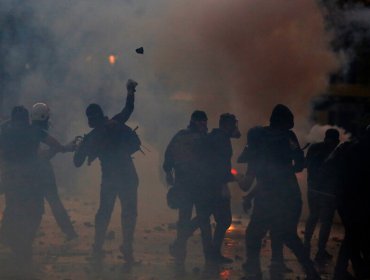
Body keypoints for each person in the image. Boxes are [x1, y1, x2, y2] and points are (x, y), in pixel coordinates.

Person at [242, 104, 320, 280]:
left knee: (254, 234)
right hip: (288, 196)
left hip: (269, 196)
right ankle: (311, 272)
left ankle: (254, 272)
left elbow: (255, 175)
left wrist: (246, 189)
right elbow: (300, 165)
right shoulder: (289, 137)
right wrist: (288, 168)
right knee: (288, 235)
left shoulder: (257, 135)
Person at [73, 79, 139, 264]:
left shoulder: (92, 137)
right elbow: (128, 109)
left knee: (104, 213)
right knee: (129, 212)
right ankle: (127, 247)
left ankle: (97, 247)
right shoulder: (115, 123)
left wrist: (79, 147)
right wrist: (130, 90)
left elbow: (77, 162)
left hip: (110, 178)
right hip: (128, 175)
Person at [0, 106, 66, 265]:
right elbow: (56, 145)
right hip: (31, 180)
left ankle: (11, 242)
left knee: (12, 209)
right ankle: (24, 248)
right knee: (34, 212)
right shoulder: (34, 131)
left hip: (11, 179)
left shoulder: (4, 131)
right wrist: (43, 158)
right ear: (26, 119)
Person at [163, 110, 211, 264]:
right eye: (201, 122)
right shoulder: (194, 137)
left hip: (191, 185)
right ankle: (188, 250)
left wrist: (168, 171)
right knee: (199, 219)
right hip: (191, 185)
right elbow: (169, 155)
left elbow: (168, 155)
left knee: (193, 219)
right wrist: (168, 172)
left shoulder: (181, 136)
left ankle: (181, 246)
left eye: (205, 122)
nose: (203, 125)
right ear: (195, 122)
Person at [31, 103, 78, 241]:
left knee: (34, 203)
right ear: (44, 118)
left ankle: (28, 233)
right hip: (43, 172)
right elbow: (55, 146)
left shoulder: (28, 131)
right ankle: (69, 232)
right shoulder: (39, 133)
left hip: (30, 173)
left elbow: (41, 154)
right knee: (54, 202)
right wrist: (65, 148)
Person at [200, 113, 241, 263]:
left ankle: (182, 241)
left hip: (207, 184)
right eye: (233, 125)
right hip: (215, 185)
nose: (235, 128)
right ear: (226, 125)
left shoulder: (214, 137)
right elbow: (219, 166)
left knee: (205, 217)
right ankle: (214, 253)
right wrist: (228, 181)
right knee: (224, 220)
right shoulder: (222, 140)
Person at [304, 128, 340, 262]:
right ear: (337, 140)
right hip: (328, 192)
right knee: (326, 221)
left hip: (313, 189)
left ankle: (306, 244)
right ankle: (320, 250)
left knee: (313, 216)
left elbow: (306, 165)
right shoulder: (337, 151)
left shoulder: (314, 148)